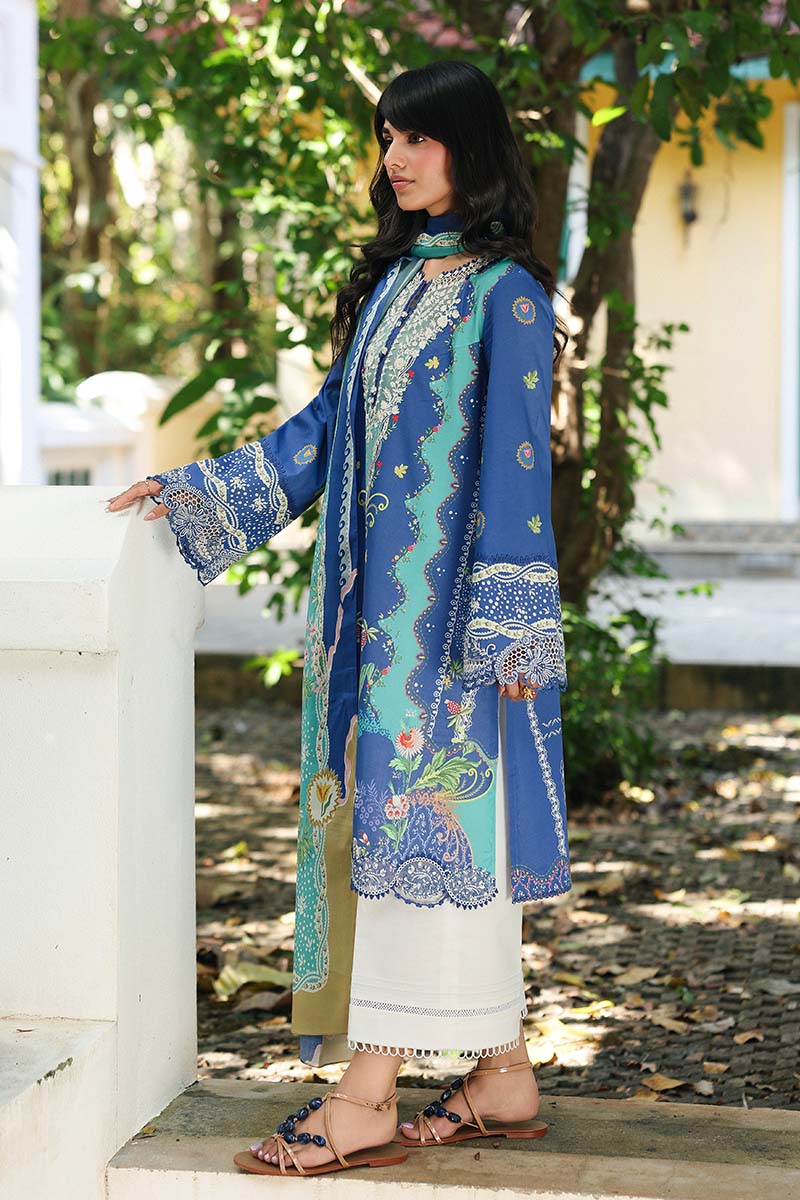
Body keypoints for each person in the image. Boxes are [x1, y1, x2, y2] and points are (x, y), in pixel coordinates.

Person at [105, 59, 570, 1179]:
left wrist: (511, 621)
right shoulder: (394, 284)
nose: (395, 158)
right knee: (404, 836)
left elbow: (520, 467)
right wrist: (201, 490)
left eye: (418, 138)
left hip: (455, 636)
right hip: (368, 626)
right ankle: (502, 1075)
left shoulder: (507, 295)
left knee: (434, 835)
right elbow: (322, 431)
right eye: (387, 138)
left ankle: (367, 1096)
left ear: (470, 148)